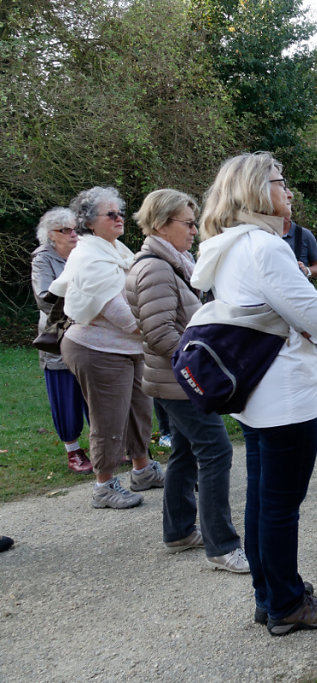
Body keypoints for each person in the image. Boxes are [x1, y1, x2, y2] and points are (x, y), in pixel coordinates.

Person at [191, 152, 317, 634]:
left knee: (263, 501)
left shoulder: (228, 246)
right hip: (284, 393)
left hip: (257, 394)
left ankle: (270, 593)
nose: (289, 191)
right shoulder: (265, 247)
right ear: (257, 190)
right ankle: (286, 604)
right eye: (281, 182)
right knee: (280, 506)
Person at [125, 189, 248, 573]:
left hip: (170, 379)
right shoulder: (155, 268)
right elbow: (159, 332)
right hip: (178, 382)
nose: (195, 230)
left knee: (185, 450)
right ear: (162, 224)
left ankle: (179, 531)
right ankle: (222, 545)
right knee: (216, 450)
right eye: (189, 223)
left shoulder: (172, 261)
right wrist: (201, 365)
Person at [49, 187, 164, 509]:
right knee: (108, 419)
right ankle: (104, 485)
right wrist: (157, 328)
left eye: (120, 212)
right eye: (110, 214)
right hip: (97, 350)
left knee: (139, 411)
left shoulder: (115, 249)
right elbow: (120, 313)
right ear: (89, 221)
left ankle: (142, 470)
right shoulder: (89, 255)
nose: (119, 218)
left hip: (129, 349)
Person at [30, 207, 91, 473]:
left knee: (95, 391)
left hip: (90, 331)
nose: (72, 234)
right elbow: (44, 298)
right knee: (65, 393)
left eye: (74, 229)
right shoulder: (43, 259)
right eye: (64, 230)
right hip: (58, 335)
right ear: (50, 236)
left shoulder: (85, 252)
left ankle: (104, 443)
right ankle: (73, 451)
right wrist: (81, 297)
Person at [282, 217, 317, 436]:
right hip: (272, 311)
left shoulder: (303, 235)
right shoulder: (262, 236)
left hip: (301, 309)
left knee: (309, 360)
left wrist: (307, 271)